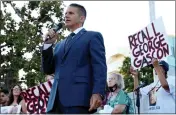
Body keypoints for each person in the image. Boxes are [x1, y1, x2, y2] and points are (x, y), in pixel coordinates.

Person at [42, 3, 107, 114]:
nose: (66, 16)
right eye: (66, 13)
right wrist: (48, 45)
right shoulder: (59, 45)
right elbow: (48, 70)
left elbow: (99, 66)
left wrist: (98, 92)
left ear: (82, 18)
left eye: (71, 13)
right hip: (55, 102)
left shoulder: (92, 36)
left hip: (78, 99)